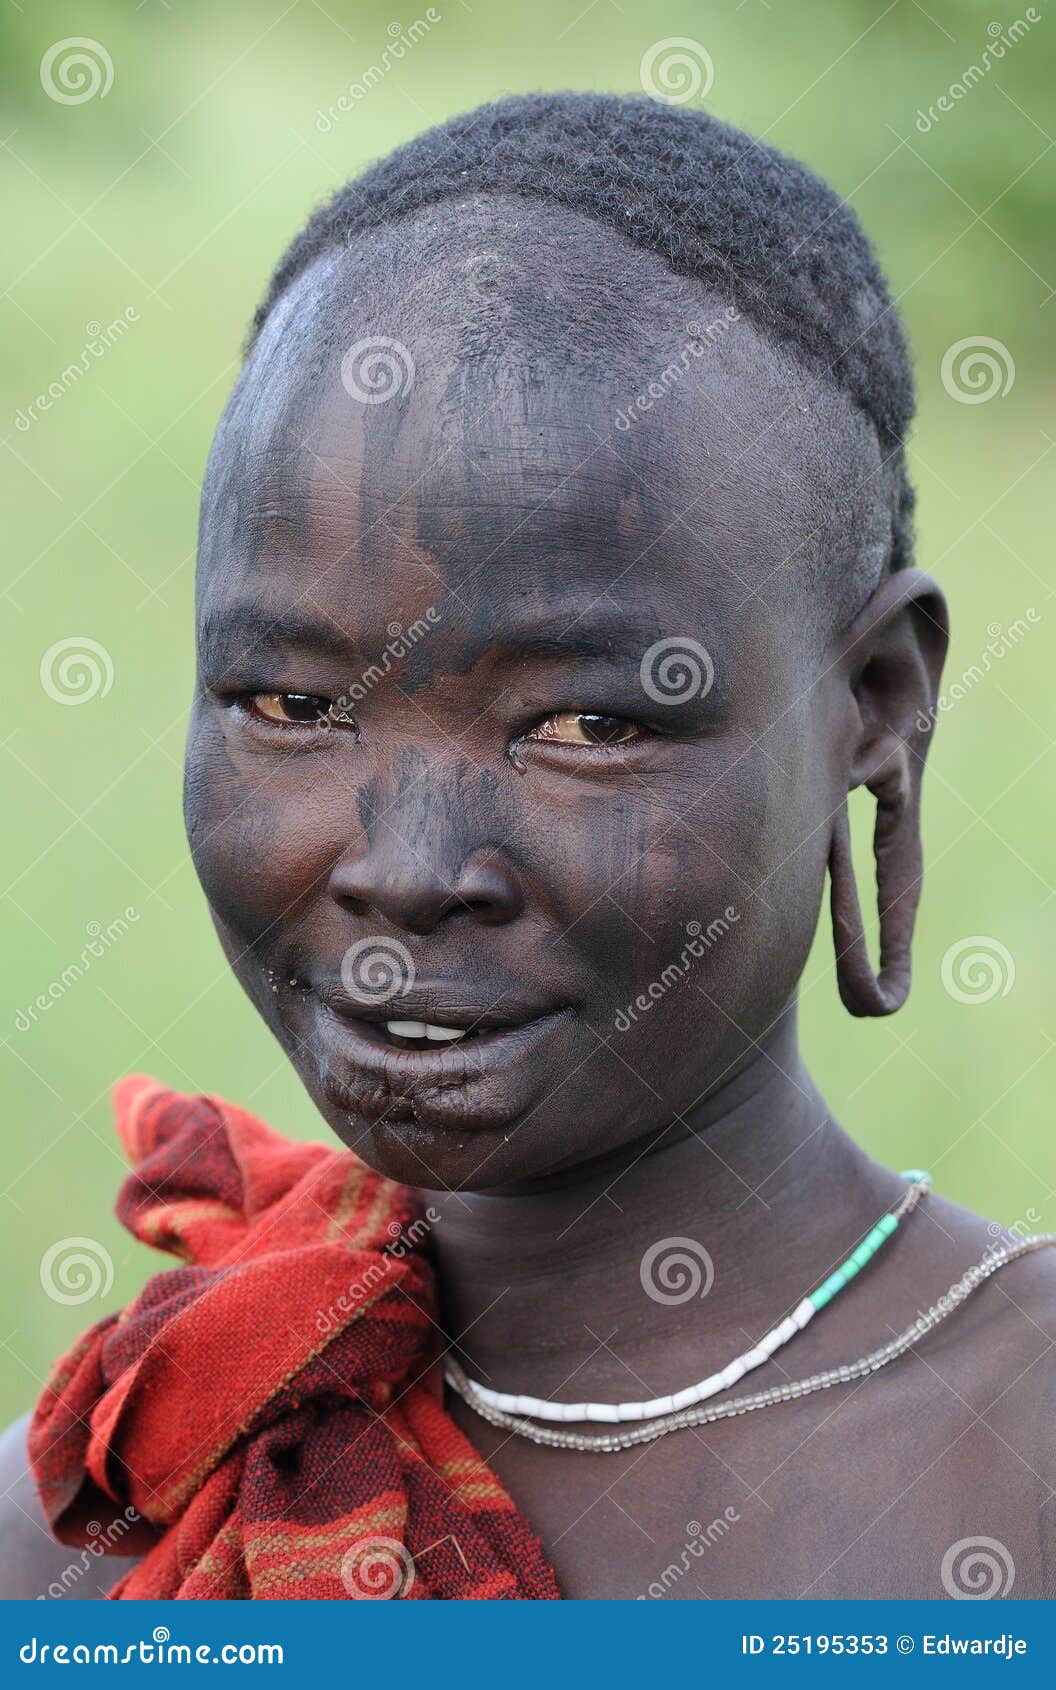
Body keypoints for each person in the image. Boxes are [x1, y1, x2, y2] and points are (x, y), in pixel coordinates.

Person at [2, 92, 1053, 1601]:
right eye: (293, 701)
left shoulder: (1015, 1465)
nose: (409, 870)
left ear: (874, 705)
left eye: (584, 725)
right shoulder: (117, 1491)